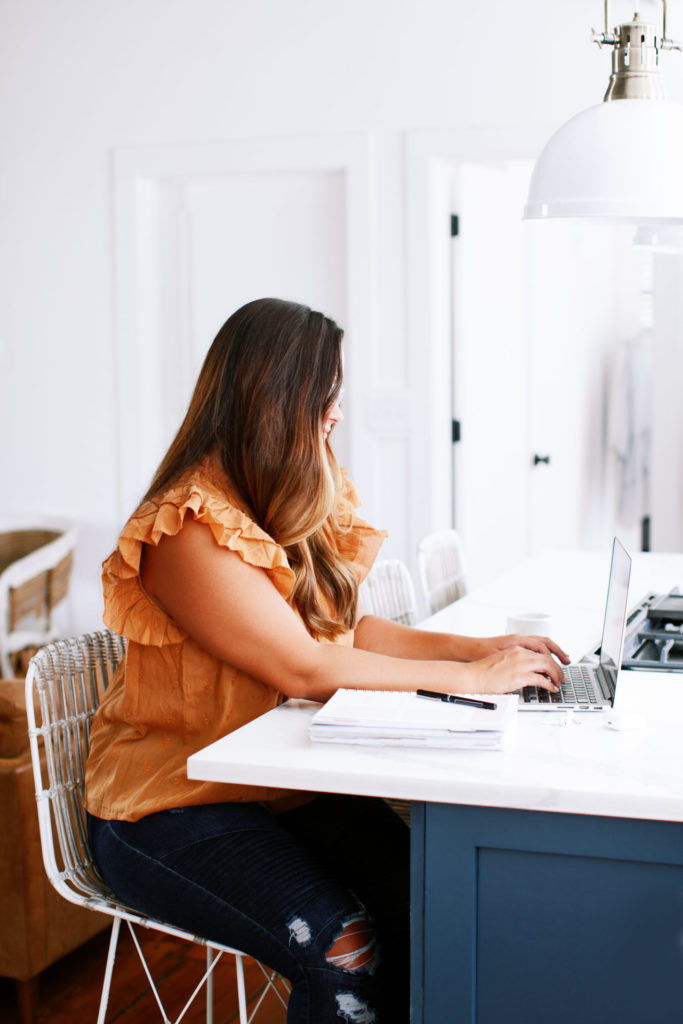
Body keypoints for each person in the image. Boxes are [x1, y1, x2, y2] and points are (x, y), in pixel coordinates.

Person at [84, 297, 568, 1024]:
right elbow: (303, 669)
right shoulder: (186, 526)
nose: (335, 413)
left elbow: (350, 634)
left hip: (271, 789)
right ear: (274, 396)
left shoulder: (273, 499)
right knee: (346, 944)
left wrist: (482, 649)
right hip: (167, 806)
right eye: (325, 395)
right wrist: (467, 681)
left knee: (434, 902)